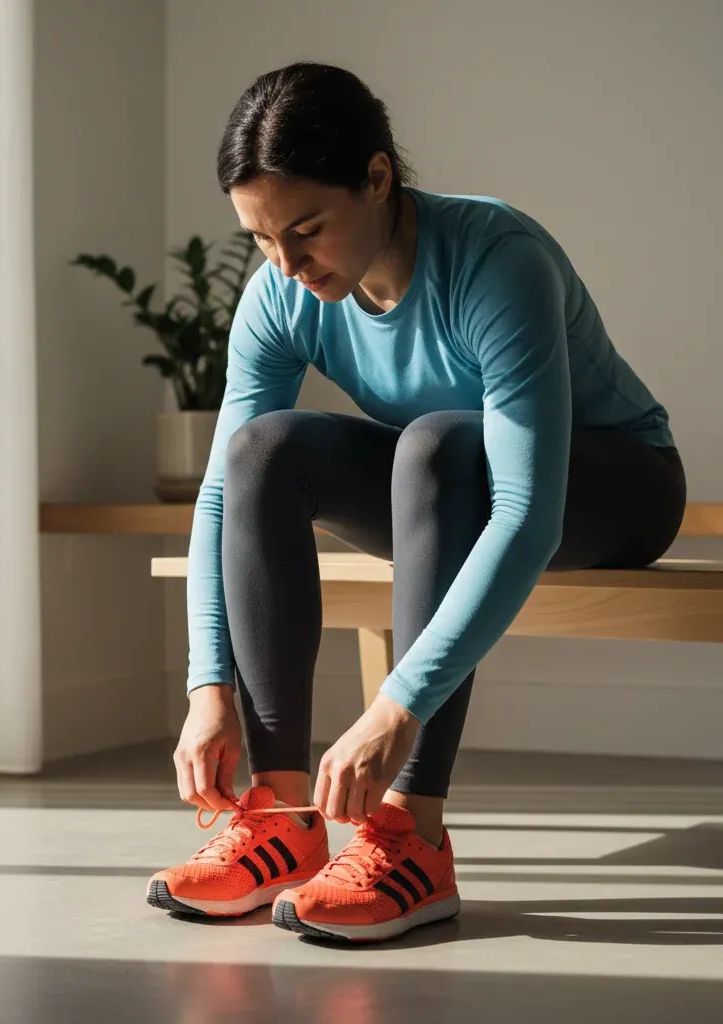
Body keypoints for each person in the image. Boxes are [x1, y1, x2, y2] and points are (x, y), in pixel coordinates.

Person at [145, 62, 686, 943]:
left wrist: (398, 706)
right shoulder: (283, 292)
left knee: (437, 442)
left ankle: (412, 838)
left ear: (378, 176)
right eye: (261, 239)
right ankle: (281, 824)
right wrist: (209, 687)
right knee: (260, 451)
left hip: (618, 484)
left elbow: (523, 511)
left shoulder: (495, 258)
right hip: (447, 479)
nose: (286, 263)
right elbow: (217, 501)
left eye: (308, 230)